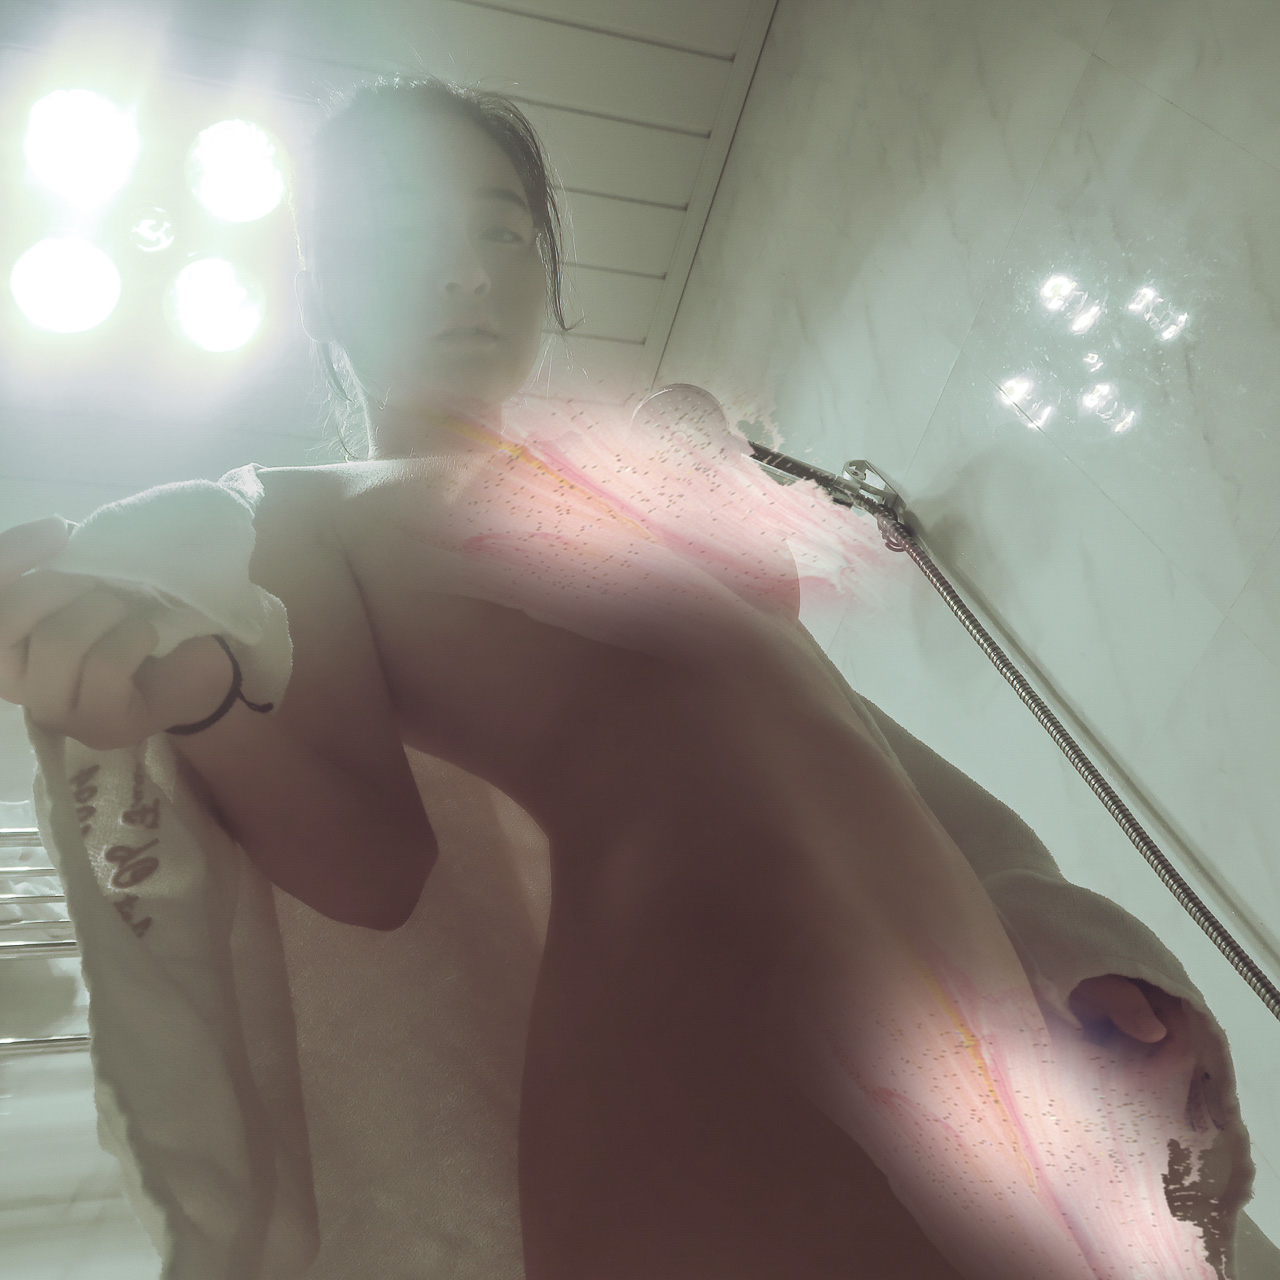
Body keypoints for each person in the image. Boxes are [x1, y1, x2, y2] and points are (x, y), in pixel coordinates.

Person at [0, 76, 1246, 1279]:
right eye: (402, 230)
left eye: (501, 229)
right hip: (690, 1012)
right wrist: (198, 694)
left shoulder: (641, 486)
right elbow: (369, 866)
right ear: (319, 281)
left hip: (970, 1015)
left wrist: (1052, 924)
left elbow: (858, 738)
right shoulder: (298, 511)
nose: (466, 268)